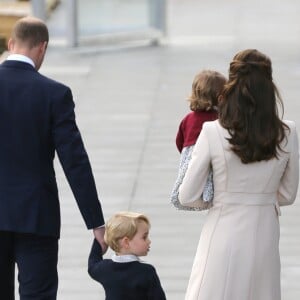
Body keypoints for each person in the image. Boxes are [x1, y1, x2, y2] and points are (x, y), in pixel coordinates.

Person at [178, 49, 299, 300]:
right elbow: (287, 195)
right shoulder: (288, 132)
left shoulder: (212, 131)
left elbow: (187, 195)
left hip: (222, 229)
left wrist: (219, 200)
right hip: (265, 233)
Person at [0, 17, 107, 300]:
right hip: (37, 216)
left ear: (11, 44)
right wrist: (96, 222)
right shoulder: (54, 94)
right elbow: (75, 162)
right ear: (42, 48)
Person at [171, 70, 226, 210]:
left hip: (190, 155)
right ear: (220, 97)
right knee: (210, 179)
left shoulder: (188, 118)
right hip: (210, 156)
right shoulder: (220, 119)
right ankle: (208, 196)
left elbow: (179, 141)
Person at [88, 211, 166, 300]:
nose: (149, 241)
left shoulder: (104, 269)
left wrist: (98, 241)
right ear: (126, 242)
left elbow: (92, 265)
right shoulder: (146, 272)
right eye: (144, 237)